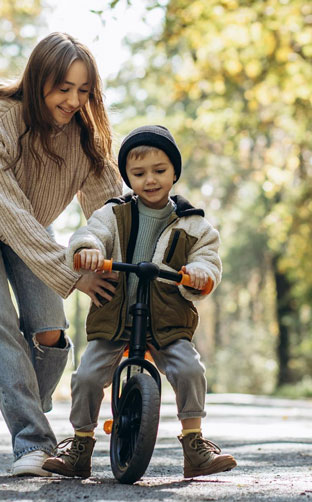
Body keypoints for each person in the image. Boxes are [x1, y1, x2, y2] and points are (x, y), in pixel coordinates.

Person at [0, 32, 121, 477]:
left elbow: (111, 211)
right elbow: (7, 214)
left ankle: (26, 407)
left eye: (84, 90)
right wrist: (73, 276)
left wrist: (137, 268)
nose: (74, 100)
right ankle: (32, 441)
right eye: (63, 88)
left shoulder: (86, 136)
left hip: (27, 216)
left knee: (51, 331)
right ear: (38, 81)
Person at [42, 125, 237, 479]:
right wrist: (87, 250)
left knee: (190, 370)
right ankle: (80, 445)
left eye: (159, 171)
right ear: (128, 177)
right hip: (116, 317)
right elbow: (92, 234)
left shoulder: (193, 224)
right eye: (139, 173)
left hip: (166, 320)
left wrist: (199, 273)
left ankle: (194, 444)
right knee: (86, 376)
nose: (150, 180)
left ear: (174, 172)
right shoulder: (113, 214)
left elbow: (208, 258)